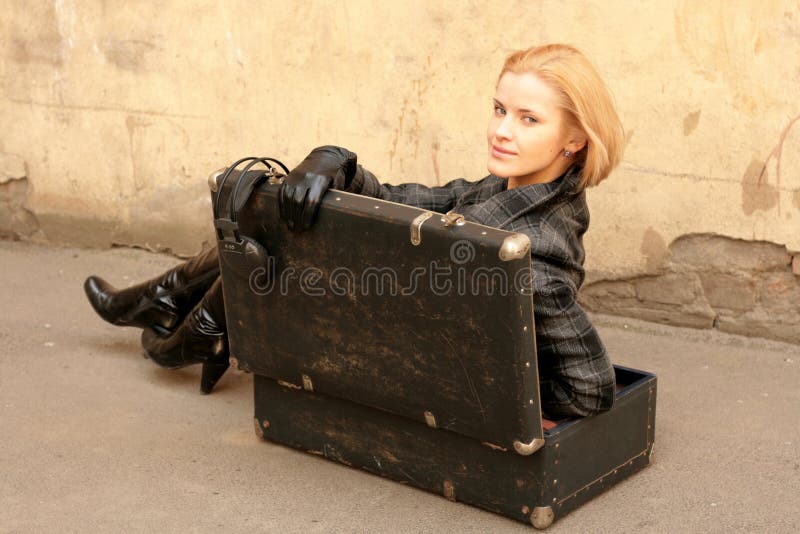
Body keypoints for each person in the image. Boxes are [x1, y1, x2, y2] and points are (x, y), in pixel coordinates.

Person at [84, 43, 624, 417]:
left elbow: (591, 392)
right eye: (500, 109)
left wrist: (494, 385)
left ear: (574, 140)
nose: (503, 131)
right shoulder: (503, 190)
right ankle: (179, 316)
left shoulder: (535, 251)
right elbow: (401, 199)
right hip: (407, 314)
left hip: (412, 349)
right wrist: (337, 162)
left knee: (290, 231)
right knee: (281, 202)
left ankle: (184, 327)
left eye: (529, 119)